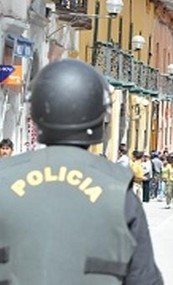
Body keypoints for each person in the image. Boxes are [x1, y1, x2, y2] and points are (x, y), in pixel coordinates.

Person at [0, 59, 162, 284]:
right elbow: (144, 278)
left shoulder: (4, 179)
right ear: (101, 113)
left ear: (36, 112)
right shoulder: (117, 190)